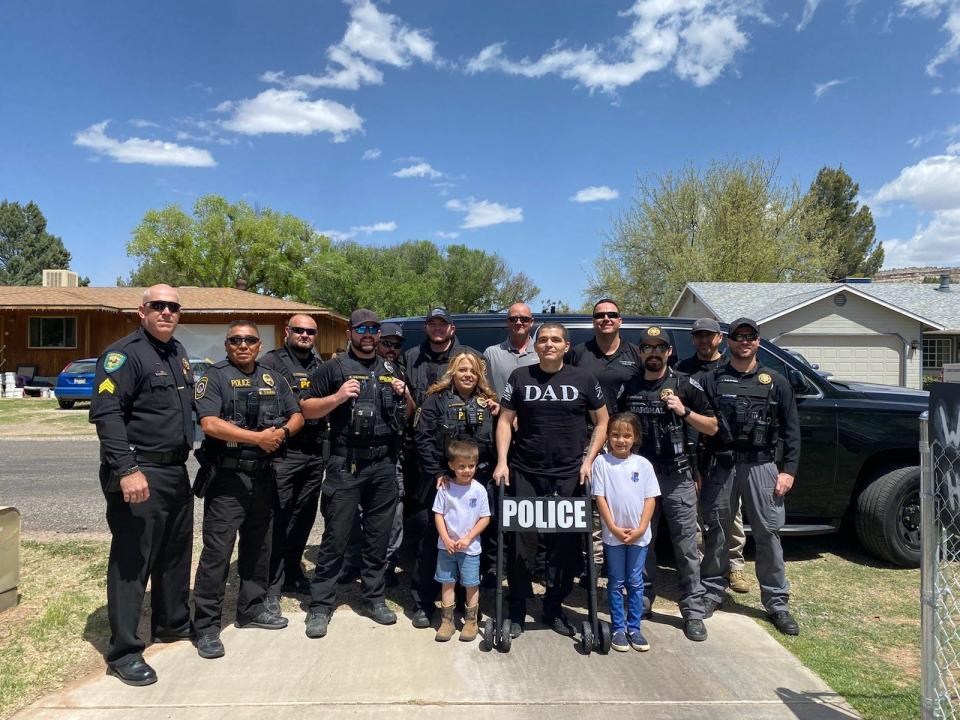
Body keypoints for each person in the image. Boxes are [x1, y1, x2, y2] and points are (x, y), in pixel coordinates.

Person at [89, 284, 195, 686]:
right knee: (133, 561)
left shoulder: (178, 353)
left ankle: (171, 623)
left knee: (173, 553)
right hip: (139, 470)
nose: (166, 312)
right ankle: (124, 651)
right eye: (158, 306)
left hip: (174, 470)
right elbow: (107, 415)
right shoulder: (124, 355)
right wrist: (127, 469)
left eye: (173, 307)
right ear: (142, 310)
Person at [192, 321, 304, 659]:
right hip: (227, 480)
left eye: (250, 340)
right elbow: (209, 423)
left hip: (264, 477)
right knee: (217, 553)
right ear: (226, 345)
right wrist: (258, 438)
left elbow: (296, 414)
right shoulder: (214, 378)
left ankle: (252, 609)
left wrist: (282, 434)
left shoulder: (272, 377)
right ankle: (206, 627)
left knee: (259, 548)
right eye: (236, 340)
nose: (243, 345)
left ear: (259, 345)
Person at [300, 309, 411, 639]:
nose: (368, 334)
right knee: (336, 536)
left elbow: (410, 414)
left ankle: (374, 597)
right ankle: (321, 605)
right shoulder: (332, 368)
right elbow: (306, 409)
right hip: (345, 462)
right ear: (350, 332)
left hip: (383, 464)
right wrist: (337, 397)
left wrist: (405, 396)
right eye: (362, 328)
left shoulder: (391, 368)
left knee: (378, 537)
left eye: (373, 329)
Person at [493, 322, 609, 638]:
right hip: (525, 470)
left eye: (555, 340)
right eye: (542, 339)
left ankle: (554, 607)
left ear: (566, 346)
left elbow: (602, 421)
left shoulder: (584, 378)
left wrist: (589, 460)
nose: (548, 344)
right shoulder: (520, 377)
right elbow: (504, 421)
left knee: (564, 545)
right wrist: (502, 462)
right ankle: (516, 608)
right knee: (522, 542)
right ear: (536, 345)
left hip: (569, 474)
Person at [699, 318, 801, 636]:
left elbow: (791, 430)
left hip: (762, 466)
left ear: (758, 341)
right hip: (722, 464)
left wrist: (788, 471)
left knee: (768, 534)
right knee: (716, 530)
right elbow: (702, 429)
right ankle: (711, 592)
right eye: (738, 336)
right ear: (728, 341)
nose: (744, 341)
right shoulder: (713, 378)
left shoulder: (776, 381)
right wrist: (700, 470)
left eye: (750, 336)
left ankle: (777, 603)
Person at [619, 326, 718, 642]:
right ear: (640, 353)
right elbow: (617, 429)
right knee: (643, 541)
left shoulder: (685, 385)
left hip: (677, 475)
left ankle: (692, 610)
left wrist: (684, 410)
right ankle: (643, 599)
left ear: (669, 352)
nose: (654, 353)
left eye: (660, 347)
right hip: (640, 478)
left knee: (686, 544)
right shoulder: (629, 386)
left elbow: (713, 426)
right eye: (647, 347)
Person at [411, 351, 499, 628]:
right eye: (462, 369)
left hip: (478, 483)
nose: (468, 375)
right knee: (431, 544)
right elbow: (422, 439)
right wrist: (438, 473)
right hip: (443, 483)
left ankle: (469, 606)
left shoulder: (489, 404)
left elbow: (500, 441)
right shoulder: (435, 401)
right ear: (452, 371)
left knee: (476, 547)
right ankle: (424, 604)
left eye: (473, 370)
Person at [677, 318, 752, 596]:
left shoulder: (730, 366)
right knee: (694, 513)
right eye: (698, 336)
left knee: (729, 513)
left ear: (720, 338)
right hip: (692, 448)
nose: (703, 341)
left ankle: (735, 566)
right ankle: (697, 567)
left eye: (708, 336)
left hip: (726, 449)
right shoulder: (683, 369)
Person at [259, 314, 326, 610]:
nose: (304, 335)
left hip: (314, 450)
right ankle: (271, 584)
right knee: (277, 515)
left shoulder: (320, 364)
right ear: (287, 331)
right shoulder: (271, 363)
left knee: (304, 514)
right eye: (298, 330)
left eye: (310, 331)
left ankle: (293, 570)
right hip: (283, 449)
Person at [340, 322, 413, 587]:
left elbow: (410, 412)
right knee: (351, 515)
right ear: (377, 342)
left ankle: (386, 565)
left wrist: (403, 393)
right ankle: (351, 563)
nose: (392, 349)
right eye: (387, 344)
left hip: (390, 455)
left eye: (397, 345)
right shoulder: (347, 368)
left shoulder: (398, 373)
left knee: (391, 516)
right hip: (352, 456)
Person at [592, 413, 660, 653]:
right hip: (614, 536)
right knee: (616, 581)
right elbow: (599, 497)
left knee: (635, 581)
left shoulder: (643, 465)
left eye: (627, 436)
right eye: (615, 435)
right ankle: (618, 627)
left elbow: (650, 498)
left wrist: (641, 527)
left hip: (639, 536)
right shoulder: (602, 463)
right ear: (608, 437)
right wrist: (612, 527)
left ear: (636, 438)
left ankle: (635, 627)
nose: (621, 440)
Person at [432, 439, 491, 642]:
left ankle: (470, 621)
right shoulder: (445, 488)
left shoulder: (479, 490)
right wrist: (446, 538)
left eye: (471, 466)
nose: (467, 471)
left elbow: (485, 518)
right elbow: (438, 514)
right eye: (462, 466)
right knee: (447, 583)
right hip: (446, 547)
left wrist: (468, 538)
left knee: (471, 584)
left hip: (470, 548)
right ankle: (447, 622)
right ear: (451, 466)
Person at [568, 298, 640, 416]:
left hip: (625, 430)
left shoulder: (636, 353)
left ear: (620, 321)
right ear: (593, 321)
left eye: (612, 315)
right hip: (587, 429)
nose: (606, 319)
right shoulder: (577, 353)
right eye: (600, 315)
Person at [483, 302, 538, 397]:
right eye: (513, 319)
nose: (518, 322)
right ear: (507, 322)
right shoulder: (491, 353)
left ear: (532, 322)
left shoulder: (542, 353)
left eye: (524, 319)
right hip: (501, 411)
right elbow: (481, 386)